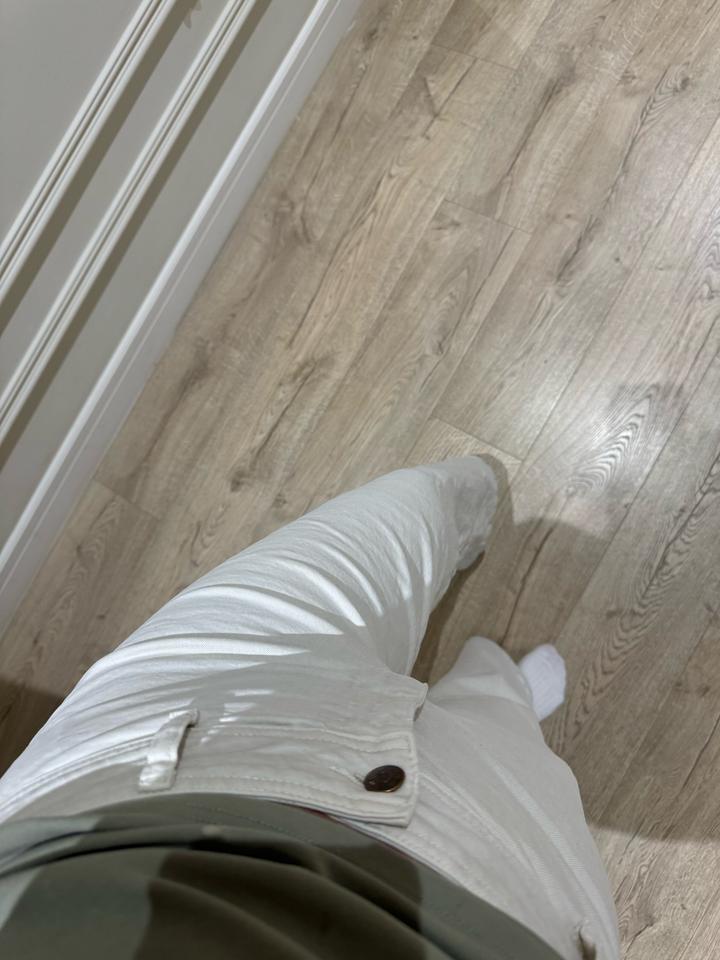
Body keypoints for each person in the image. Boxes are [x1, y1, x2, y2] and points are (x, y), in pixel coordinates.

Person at [0, 458, 619, 959]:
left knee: (401, 512)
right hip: (499, 902)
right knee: (502, 730)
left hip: (133, 766)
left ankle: (475, 505)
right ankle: (499, 687)